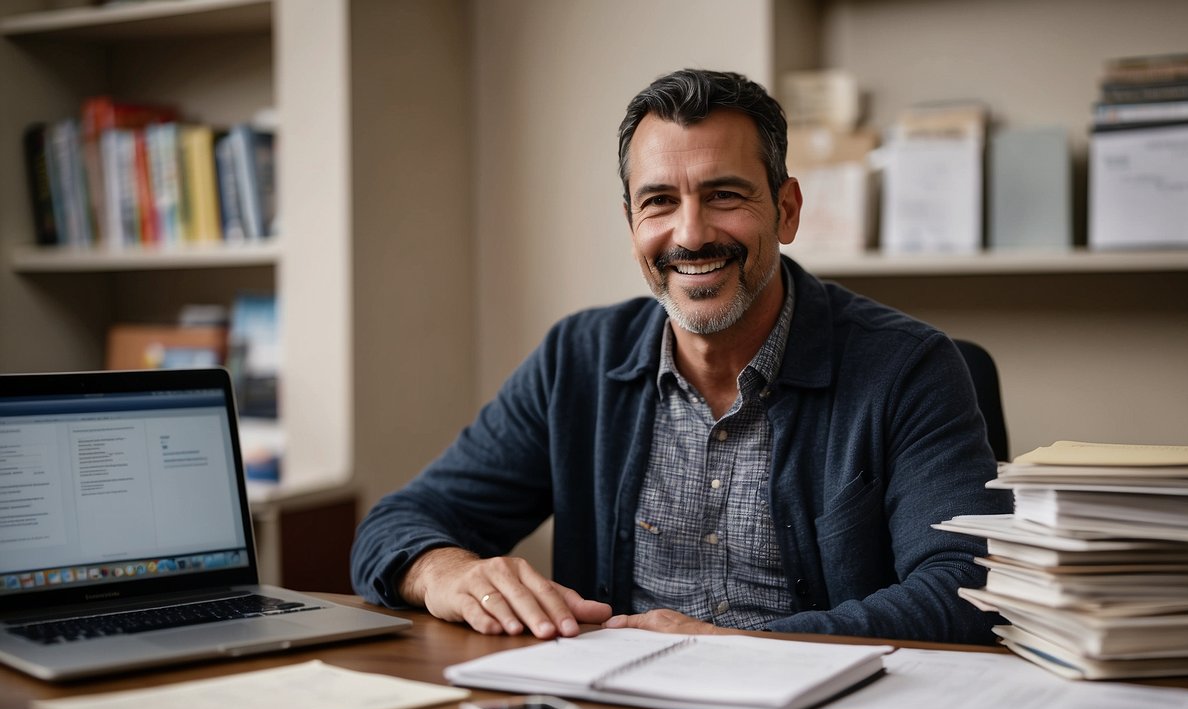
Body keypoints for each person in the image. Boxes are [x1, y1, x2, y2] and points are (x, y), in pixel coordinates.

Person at [351, 68, 1010, 644]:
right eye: (659, 201)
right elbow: (395, 524)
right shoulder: (575, 359)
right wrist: (451, 572)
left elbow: (965, 582)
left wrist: (730, 646)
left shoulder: (908, 366)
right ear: (632, 224)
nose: (689, 234)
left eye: (724, 195)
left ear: (784, 210)